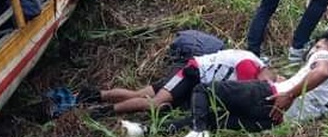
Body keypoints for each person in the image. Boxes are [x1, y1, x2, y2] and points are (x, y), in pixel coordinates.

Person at [179, 31, 328, 137]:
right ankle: (148, 129)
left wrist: (290, 94)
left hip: (271, 96)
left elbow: (324, 70)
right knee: (211, 119)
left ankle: (198, 133)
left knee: (204, 90)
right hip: (276, 121)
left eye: (317, 45)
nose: (313, 50)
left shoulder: (327, 57)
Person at [82, 49, 272, 116]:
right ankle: (104, 111)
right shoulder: (249, 67)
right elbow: (246, 95)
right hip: (192, 74)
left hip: (194, 74)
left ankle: (95, 95)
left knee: (140, 94)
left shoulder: (254, 62)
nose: (266, 85)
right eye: (268, 83)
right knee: (156, 104)